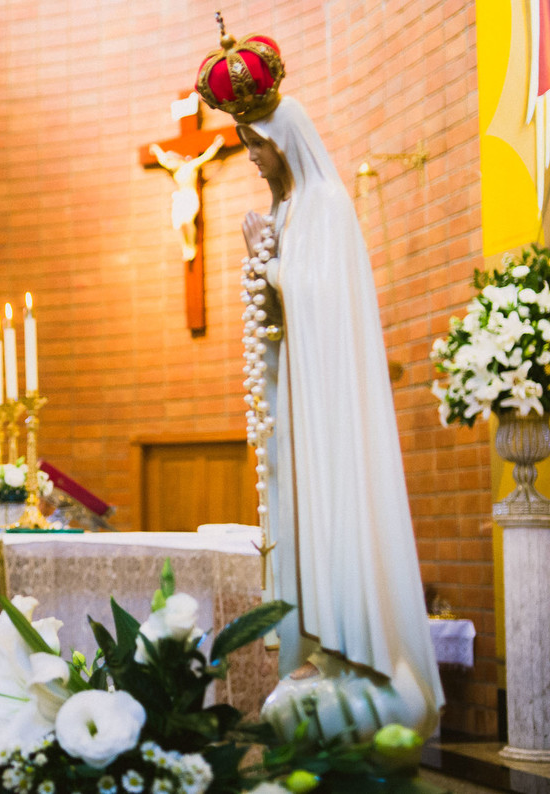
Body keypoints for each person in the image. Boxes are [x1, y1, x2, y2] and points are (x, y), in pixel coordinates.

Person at [195, 27, 444, 736]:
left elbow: (322, 303)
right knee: (304, 523)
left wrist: (263, 263)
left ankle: (351, 652)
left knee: (335, 518)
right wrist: (266, 263)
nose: (251, 157)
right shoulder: (288, 209)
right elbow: (285, 305)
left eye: (256, 144)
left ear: (285, 137)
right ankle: (319, 653)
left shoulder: (326, 205)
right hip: (301, 405)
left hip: (330, 408)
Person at [149, 134, 225, 262]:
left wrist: (216, 145)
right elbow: (163, 160)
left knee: (187, 221)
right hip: (180, 198)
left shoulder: (190, 166)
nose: (170, 164)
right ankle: (186, 247)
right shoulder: (176, 170)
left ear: (177, 159)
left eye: (172, 161)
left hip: (189, 196)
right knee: (178, 224)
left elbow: (206, 157)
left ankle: (191, 245)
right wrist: (156, 149)